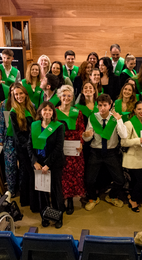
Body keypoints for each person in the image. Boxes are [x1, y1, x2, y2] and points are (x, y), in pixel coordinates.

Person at [82, 94, 127, 211]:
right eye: (100, 105)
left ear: (110, 105)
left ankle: (112, 196)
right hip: (95, 151)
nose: (102, 108)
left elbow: (124, 135)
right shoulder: (93, 117)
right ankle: (93, 198)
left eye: (105, 105)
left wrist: (119, 120)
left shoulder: (114, 118)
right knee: (89, 179)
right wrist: (86, 136)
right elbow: (87, 138)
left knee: (120, 180)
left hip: (111, 152)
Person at [28, 101, 65, 228]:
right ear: (40, 112)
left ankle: (58, 217)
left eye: (50, 110)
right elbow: (29, 145)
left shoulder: (59, 126)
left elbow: (59, 147)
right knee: (41, 192)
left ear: (53, 112)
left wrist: (48, 164)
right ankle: (45, 216)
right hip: (39, 163)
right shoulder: (34, 125)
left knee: (56, 191)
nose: (47, 112)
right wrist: (35, 162)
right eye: (45, 110)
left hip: (54, 164)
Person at [56, 85, 86, 215]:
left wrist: (81, 143)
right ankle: (61, 200)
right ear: (59, 97)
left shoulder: (77, 112)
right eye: (64, 95)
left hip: (74, 148)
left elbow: (81, 130)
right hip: (60, 146)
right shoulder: (54, 112)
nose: (66, 98)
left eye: (69, 96)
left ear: (72, 97)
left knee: (73, 175)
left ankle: (70, 201)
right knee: (62, 175)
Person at [9, 84, 37, 207]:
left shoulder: (31, 107)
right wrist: (29, 146)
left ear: (25, 94)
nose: (19, 96)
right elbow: (17, 134)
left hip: (33, 144)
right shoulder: (13, 111)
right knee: (28, 173)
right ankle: (31, 201)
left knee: (28, 173)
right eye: (16, 94)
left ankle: (28, 199)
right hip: (23, 147)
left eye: (21, 93)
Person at [121, 101, 142, 212]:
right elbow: (123, 142)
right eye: (139, 109)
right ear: (134, 110)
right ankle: (133, 199)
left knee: (136, 180)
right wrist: (138, 140)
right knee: (141, 179)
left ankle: (133, 196)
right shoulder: (129, 123)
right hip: (133, 156)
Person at [0, 84, 20, 198]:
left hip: (21, 139)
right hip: (9, 138)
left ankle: (21, 187)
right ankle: (11, 189)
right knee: (10, 166)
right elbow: (2, 121)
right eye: (12, 91)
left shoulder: (27, 104)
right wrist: (1, 138)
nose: (14, 94)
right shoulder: (5, 104)